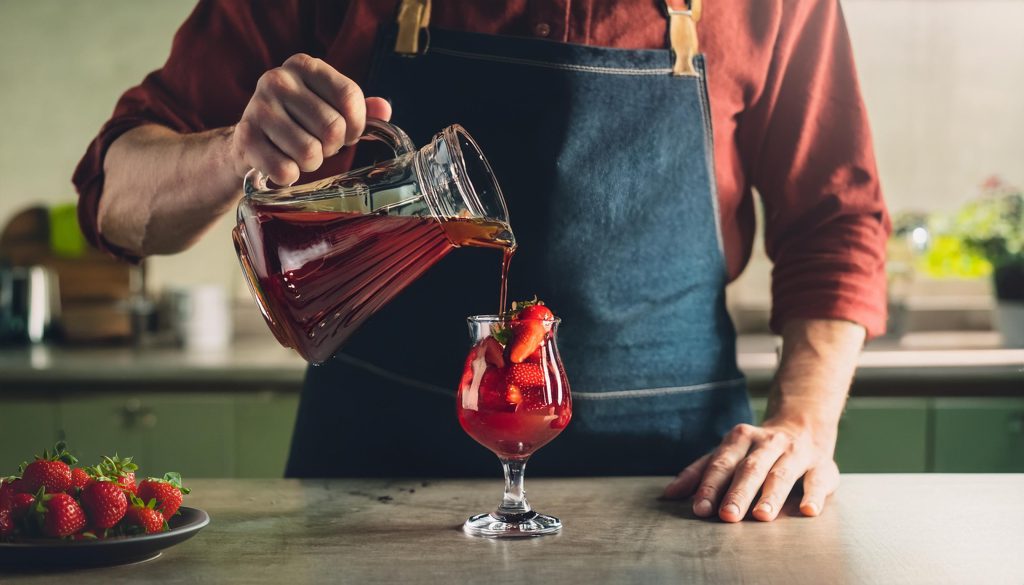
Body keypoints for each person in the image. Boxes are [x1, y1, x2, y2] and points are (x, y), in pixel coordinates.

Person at [74, 0, 889, 523]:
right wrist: (233, 150)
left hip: (678, 491)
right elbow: (118, 197)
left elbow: (836, 220)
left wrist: (804, 424)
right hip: (374, 493)